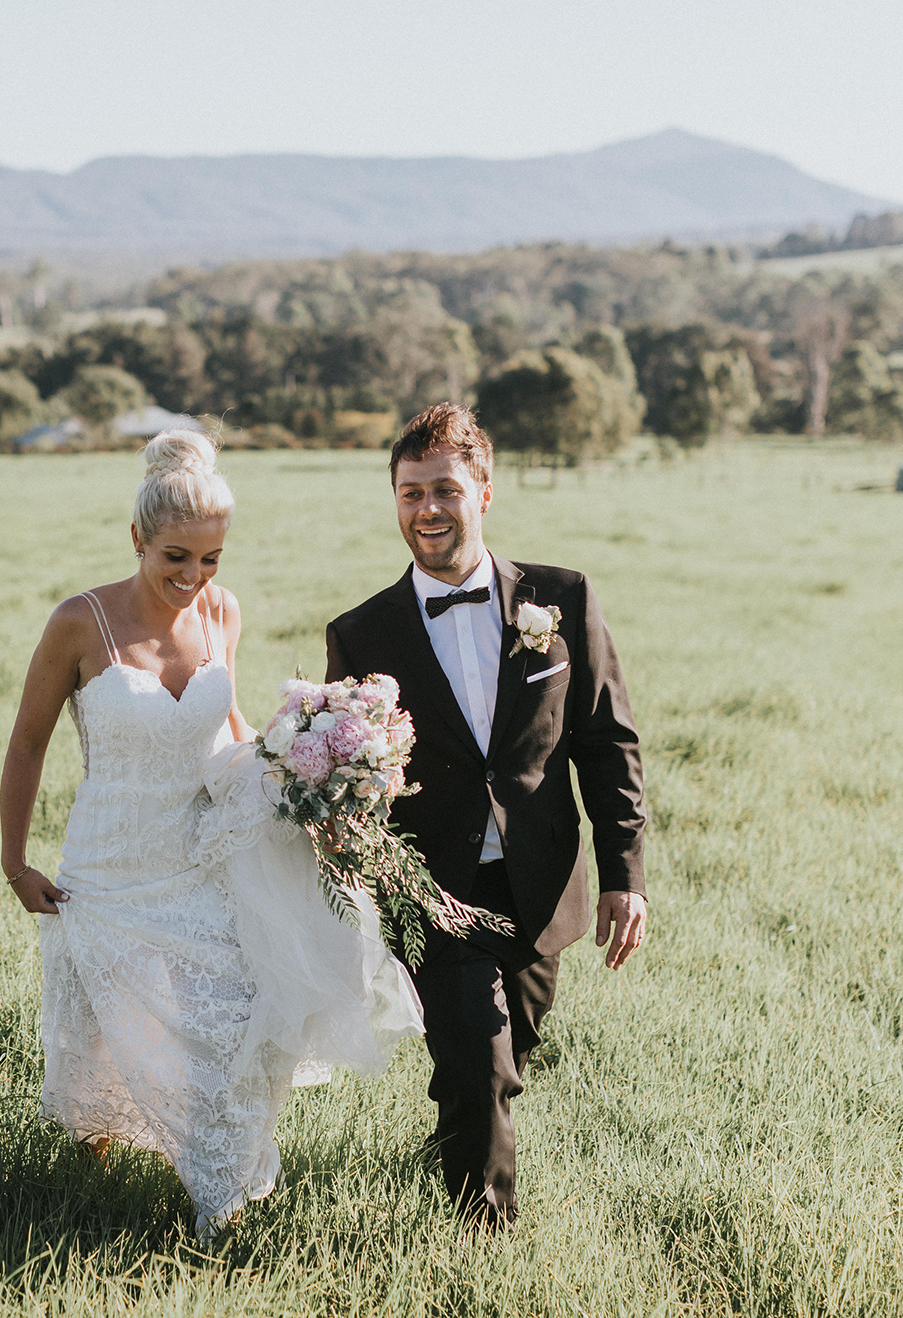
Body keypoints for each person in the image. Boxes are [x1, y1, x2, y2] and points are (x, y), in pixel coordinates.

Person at [0, 427, 421, 1236]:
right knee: (97, 1044)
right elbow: (27, 740)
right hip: (107, 865)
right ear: (136, 540)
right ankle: (85, 1200)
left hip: (199, 855)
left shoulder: (223, 611)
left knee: (229, 1024)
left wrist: (306, 774)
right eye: (176, 558)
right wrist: (15, 862)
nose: (194, 578)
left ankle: (218, 1203)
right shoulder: (78, 623)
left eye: (211, 559)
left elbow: (226, 727)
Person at [324, 402, 648, 1228]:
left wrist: (625, 877)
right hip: (434, 892)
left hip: (542, 884)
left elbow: (608, 743)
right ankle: (484, 1240)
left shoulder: (563, 601)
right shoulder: (361, 634)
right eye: (409, 493)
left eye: (445, 489)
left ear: (485, 490)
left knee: (510, 1052)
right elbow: (354, 785)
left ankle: (459, 1136)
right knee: (477, 1051)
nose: (427, 509)